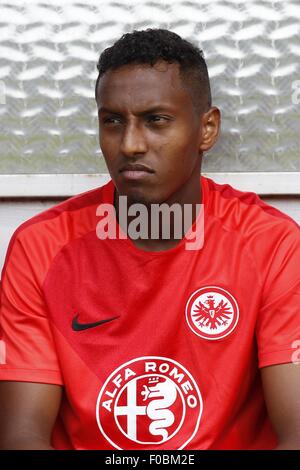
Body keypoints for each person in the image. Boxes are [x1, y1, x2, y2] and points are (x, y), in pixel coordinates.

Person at [0, 28, 299, 451]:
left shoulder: (272, 244)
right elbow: (21, 434)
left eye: (156, 120)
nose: (131, 144)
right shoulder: (42, 247)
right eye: (113, 122)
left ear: (207, 129)